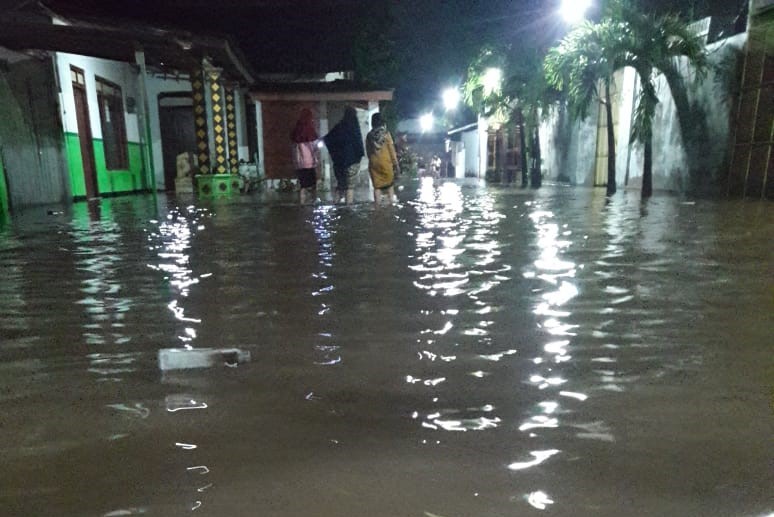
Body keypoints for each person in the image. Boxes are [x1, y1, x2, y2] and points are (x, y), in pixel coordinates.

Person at [323, 107, 365, 204]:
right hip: (352, 162)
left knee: (340, 185)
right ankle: (348, 207)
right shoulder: (354, 127)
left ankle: (336, 204)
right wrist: (359, 158)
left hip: (339, 163)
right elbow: (359, 144)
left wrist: (334, 155)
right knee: (350, 186)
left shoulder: (339, 127)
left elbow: (327, 139)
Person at [366, 112, 400, 205]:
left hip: (374, 164)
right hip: (386, 163)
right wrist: (396, 164)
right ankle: (391, 206)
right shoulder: (386, 134)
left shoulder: (369, 136)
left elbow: (368, 151)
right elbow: (391, 151)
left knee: (377, 188)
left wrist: (373, 160)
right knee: (390, 186)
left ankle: (377, 208)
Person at [290, 108, 320, 205]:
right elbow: (315, 146)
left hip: (299, 163)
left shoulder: (296, 131)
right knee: (313, 184)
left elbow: (293, 146)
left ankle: (302, 203)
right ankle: (313, 201)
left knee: (303, 185)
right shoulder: (310, 131)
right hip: (310, 162)